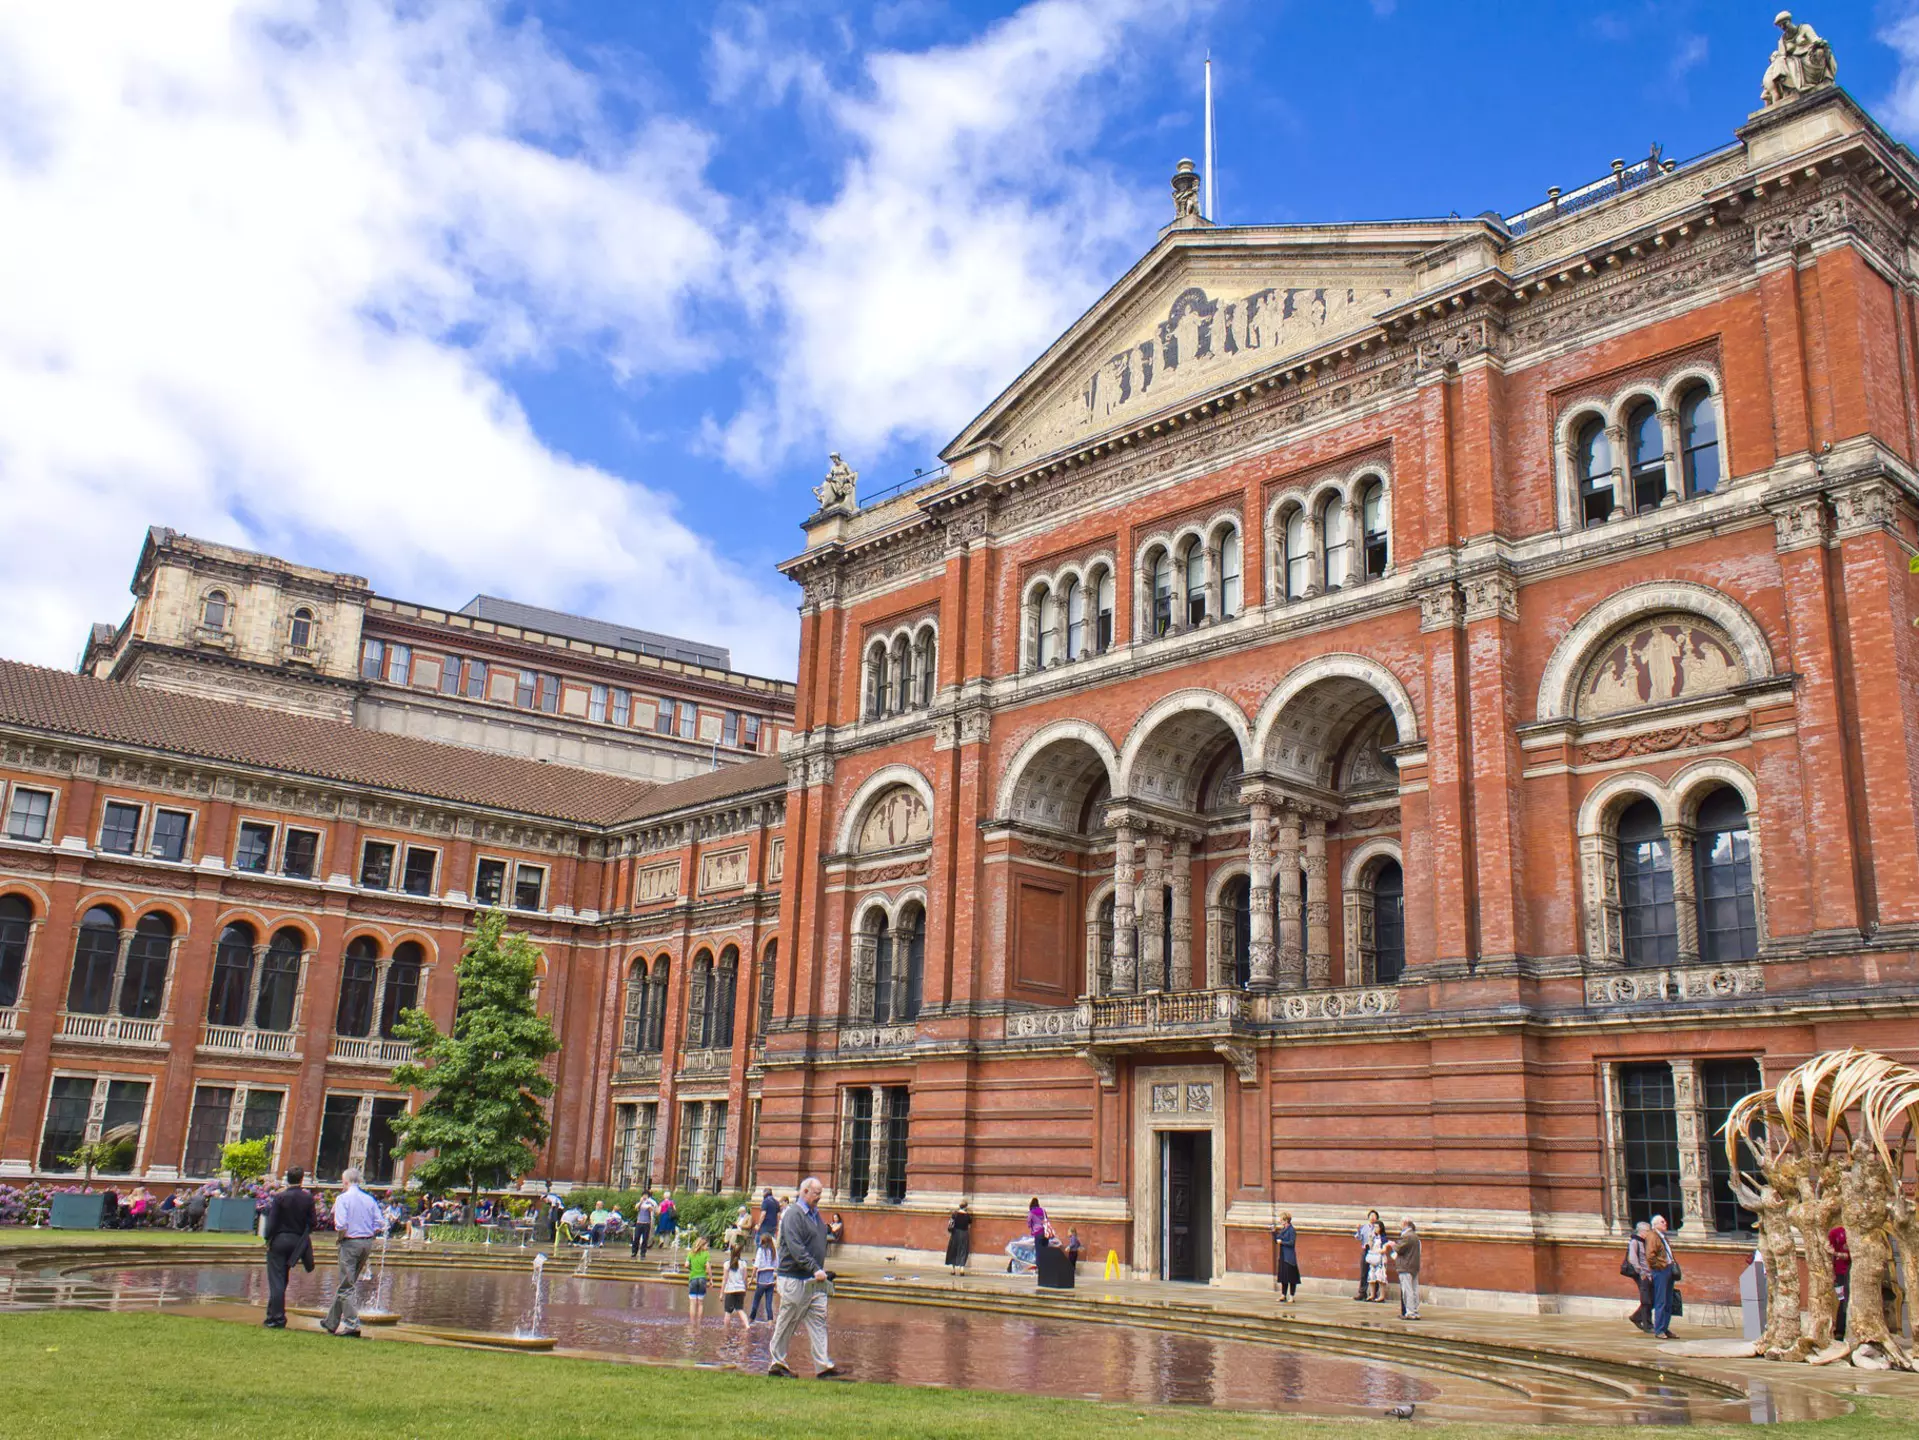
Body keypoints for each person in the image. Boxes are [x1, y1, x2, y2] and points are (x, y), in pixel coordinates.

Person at [768, 1176, 841, 1379]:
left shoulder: (815, 1216)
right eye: (816, 1193)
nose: (819, 1197)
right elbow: (795, 1247)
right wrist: (813, 1268)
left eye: (820, 1193)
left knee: (818, 1319)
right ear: (805, 1191)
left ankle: (823, 1366)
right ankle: (777, 1363)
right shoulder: (793, 1214)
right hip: (794, 1277)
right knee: (788, 1319)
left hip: (814, 1280)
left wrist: (821, 1271)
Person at [324, 1167, 384, 1337]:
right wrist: (369, 1232)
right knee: (347, 1284)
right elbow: (380, 1222)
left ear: (345, 1182)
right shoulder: (369, 1199)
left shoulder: (343, 1198)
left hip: (350, 1243)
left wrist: (341, 1238)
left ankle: (352, 1324)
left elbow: (341, 1224)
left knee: (346, 1285)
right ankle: (331, 1321)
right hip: (366, 1243)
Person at [261, 1168, 317, 1329]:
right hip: (297, 1242)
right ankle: (273, 1314)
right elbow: (313, 1222)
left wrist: (267, 1238)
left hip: (279, 1240)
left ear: (287, 1179)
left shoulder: (280, 1197)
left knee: (276, 1279)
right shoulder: (307, 1198)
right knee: (282, 1279)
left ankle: (276, 1318)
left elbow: (272, 1222)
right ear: (301, 1179)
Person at [1647, 1213, 1678, 1340]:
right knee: (1661, 1301)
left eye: (1665, 1221)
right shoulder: (1652, 1236)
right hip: (1661, 1271)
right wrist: (1661, 1266)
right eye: (1662, 1222)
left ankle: (1665, 1327)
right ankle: (1659, 1329)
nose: (1665, 1224)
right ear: (1655, 1225)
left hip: (1668, 1269)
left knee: (1669, 1301)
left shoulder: (1663, 1236)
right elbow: (1650, 1256)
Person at [1625, 1221, 1654, 1332]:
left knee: (1651, 1299)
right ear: (1641, 1231)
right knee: (1646, 1300)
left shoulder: (1644, 1242)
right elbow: (1632, 1259)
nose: (1649, 1232)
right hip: (1642, 1275)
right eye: (1648, 1230)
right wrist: (1641, 1272)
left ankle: (1636, 1317)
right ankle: (1647, 1325)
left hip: (1649, 1274)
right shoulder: (1635, 1242)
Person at [1392, 1220, 1422, 1319]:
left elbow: (1399, 1248)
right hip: (1414, 1266)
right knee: (1414, 1290)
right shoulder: (1416, 1237)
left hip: (1405, 1266)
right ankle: (1415, 1310)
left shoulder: (1407, 1236)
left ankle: (1410, 1312)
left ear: (1405, 1223)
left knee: (1407, 1290)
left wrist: (1392, 1244)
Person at [750, 1229, 778, 1322]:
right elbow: (776, 1265)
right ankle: (770, 1322)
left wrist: (751, 1279)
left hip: (761, 1280)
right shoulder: (773, 1251)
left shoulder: (761, 1250)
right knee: (768, 1304)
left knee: (756, 1302)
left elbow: (756, 1266)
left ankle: (750, 1320)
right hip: (770, 1281)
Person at [721, 1241, 750, 1330]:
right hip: (740, 1289)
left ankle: (726, 1328)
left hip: (730, 1290)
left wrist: (721, 1293)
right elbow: (745, 1277)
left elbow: (724, 1279)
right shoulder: (743, 1263)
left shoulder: (727, 1264)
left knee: (728, 1311)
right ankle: (747, 1325)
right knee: (740, 1309)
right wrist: (745, 1288)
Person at [1353, 1210, 1381, 1301]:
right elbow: (1359, 1238)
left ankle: (1374, 1293)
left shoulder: (1378, 1227)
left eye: (1374, 1216)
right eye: (1371, 1215)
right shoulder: (1364, 1227)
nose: (1372, 1217)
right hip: (1366, 1250)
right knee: (1364, 1272)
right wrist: (1358, 1229)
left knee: (1375, 1273)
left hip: (1375, 1251)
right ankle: (1362, 1292)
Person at [1829, 1224, 1850, 1341]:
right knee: (1842, 1299)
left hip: (1852, 1271)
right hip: (1839, 1273)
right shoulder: (1836, 1232)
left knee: (1848, 1300)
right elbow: (1830, 1250)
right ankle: (1840, 1330)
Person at [1273, 1213, 1301, 1302]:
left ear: (1286, 1220)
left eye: (1282, 1220)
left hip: (1289, 1258)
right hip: (1283, 1257)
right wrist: (1273, 1232)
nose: (1281, 1222)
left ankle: (1291, 1296)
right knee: (1284, 1277)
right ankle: (1283, 1295)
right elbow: (1277, 1240)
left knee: (1291, 1278)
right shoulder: (1283, 1230)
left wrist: (1282, 1242)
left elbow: (1292, 1243)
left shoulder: (1291, 1230)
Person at [944, 1201, 973, 1275]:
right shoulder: (968, 1216)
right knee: (963, 1250)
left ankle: (953, 1270)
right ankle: (962, 1269)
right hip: (964, 1234)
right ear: (966, 1207)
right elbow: (969, 1225)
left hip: (955, 1234)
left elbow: (950, 1224)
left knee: (953, 1250)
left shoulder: (955, 1214)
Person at [1365, 1220, 1389, 1302]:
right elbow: (1370, 1246)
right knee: (1371, 1276)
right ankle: (1372, 1294)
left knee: (1380, 1277)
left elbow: (1385, 1249)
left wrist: (1378, 1251)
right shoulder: (1373, 1237)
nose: (1375, 1229)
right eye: (1374, 1227)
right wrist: (1370, 1240)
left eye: (1377, 1227)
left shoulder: (1383, 1238)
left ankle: (1382, 1296)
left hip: (1380, 1259)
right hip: (1373, 1258)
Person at [687, 1234, 711, 1312]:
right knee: (700, 1304)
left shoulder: (691, 1253)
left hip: (693, 1278)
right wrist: (711, 1279)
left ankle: (692, 1323)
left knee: (692, 1303)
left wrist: (691, 1269)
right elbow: (708, 1267)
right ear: (702, 1245)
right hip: (702, 1278)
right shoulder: (706, 1254)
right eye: (707, 1245)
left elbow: (686, 1264)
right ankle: (698, 1323)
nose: (708, 1247)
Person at [631, 1190, 656, 1259]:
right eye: (643, 1195)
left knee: (645, 1238)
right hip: (639, 1222)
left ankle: (643, 1253)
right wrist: (641, 1202)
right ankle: (634, 1252)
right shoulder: (640, 1203)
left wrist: (649, 1206)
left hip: (646, 1223)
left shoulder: (650, 1203)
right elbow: (636, 1208)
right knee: (636, 1237)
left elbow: (652, 1210)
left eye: (646, 1195)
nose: (645, 1196)